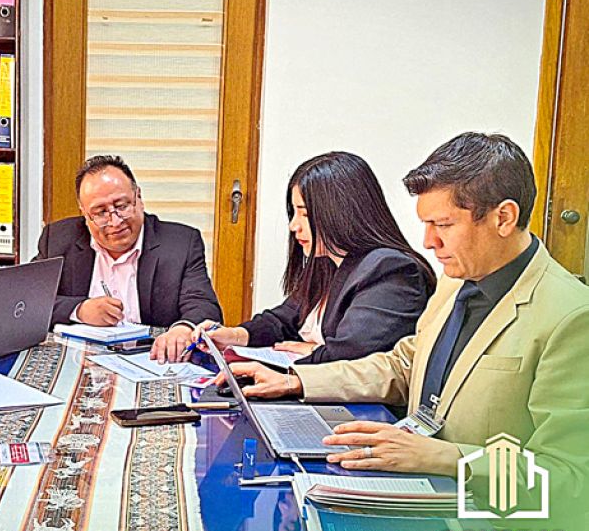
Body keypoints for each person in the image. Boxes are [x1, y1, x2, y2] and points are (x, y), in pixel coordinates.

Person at [226, 133, 589, 497]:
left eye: (443, 225)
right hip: (418, 488)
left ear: (503, 218)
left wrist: (446, 458)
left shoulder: (571, 317)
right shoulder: (455, 281)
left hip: (483, 516)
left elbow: (571, 476)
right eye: (426, 225)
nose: (429, 242)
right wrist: (296, 382)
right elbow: (404, 366)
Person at [196, 151, 436, 365]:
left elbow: (352, 356)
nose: (293, 226)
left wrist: (313, 352)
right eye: (294, 213)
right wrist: (234, 335)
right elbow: (282, 320)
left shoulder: (390, 269)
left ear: (342, 212)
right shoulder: (328, 261)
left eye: (305, 214)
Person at [33, 154, 223, 362]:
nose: (115, 222)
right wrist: (79, 310)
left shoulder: (181, 243)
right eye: (100, 213)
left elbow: (204, 307)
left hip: (153, 360)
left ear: (138, 198)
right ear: (85, 214)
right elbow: (29, 301)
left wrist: (183, 328)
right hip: (79, 360)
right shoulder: (58, 239)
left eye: (122, 206)